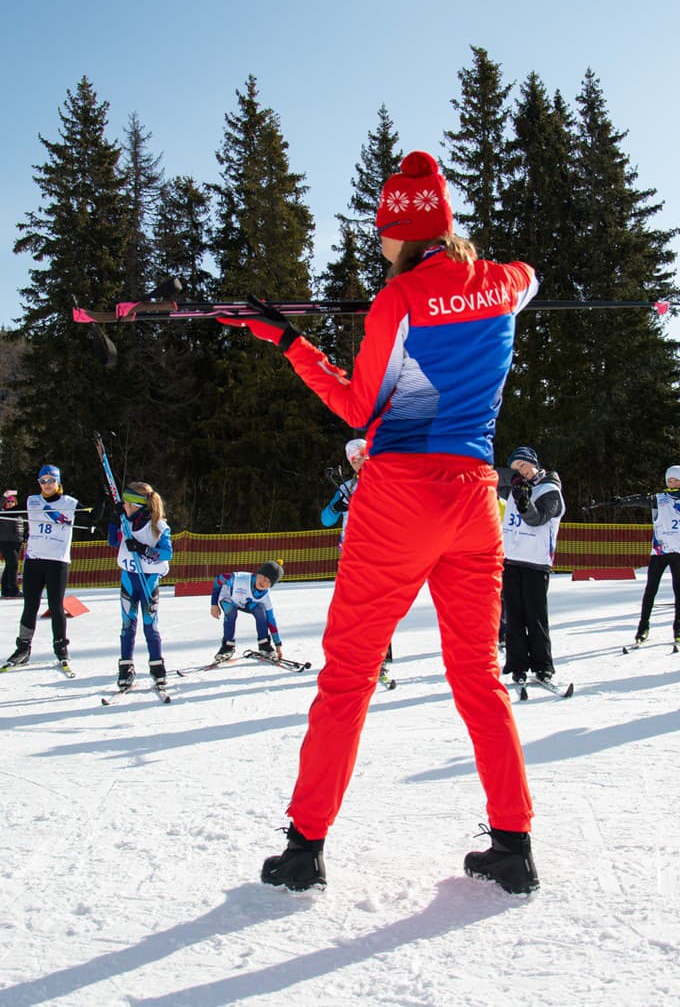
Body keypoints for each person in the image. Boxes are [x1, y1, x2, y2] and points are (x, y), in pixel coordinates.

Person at [218, 149, 539, 895]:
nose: (378, 245)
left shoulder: (397, 302)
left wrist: (294, 344)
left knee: (350, 678)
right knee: (479, 678)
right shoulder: (503, 285)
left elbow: (360, 408)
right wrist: (472, 287)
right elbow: (528, 276)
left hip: (399, 497)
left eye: (384, 234)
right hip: (473, 501)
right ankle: (514, 844)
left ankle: (304, 848)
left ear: (401, 231)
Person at [322, 438, 395, 679]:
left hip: (378, 551)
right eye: (354, 460)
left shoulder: (386, 483)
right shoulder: (345, 488)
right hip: (352, 553)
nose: (359, 463)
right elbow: (326, 519)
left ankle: (380, 655)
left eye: (363, 457)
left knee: (379, 605)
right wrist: (337, 507)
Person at [3, 465, 79, 672]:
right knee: (30, 605)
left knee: (56, 606)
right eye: (43, 481)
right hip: (34, 560)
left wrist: (102, 499)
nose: (47, 485)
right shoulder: (32, 501)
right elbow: (8, 510)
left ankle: (61, 648)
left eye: (51, 480)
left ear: (58, 482)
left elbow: (93, 516)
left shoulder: (70, 503)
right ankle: (23, 648)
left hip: (57, 561)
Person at [501, 445, 565, 685]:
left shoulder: (550, 490)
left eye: (524, 465)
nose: (522, 471)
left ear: (534, 463)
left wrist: (524, 501)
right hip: (512, 559)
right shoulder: (516, 488)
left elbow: (538, 519)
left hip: (536, 563)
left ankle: (543, 665)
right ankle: (517, 664)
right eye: (517, 468)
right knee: (514, 617)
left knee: (535, 617)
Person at [108, 480, 173, 692]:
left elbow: (167, 553)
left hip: (149, 581)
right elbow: (113, 541)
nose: (124, 507)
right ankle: (125, 667)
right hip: (128, 579)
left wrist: (144, 549)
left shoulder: (159, 527)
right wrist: (113, 518)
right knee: (128, 626)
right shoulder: (124, 524)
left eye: (127, 504)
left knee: (150, 625)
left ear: (139, 506)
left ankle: (157, 666)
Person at [632, 465, 680, 646]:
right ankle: (643, 627)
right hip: (660, 551)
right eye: (669, 480)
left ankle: (679, 627)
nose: (672, 483)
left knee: (679, 590)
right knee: (650, 589)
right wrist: (620, 502)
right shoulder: (659, 499)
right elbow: (640, 500)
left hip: (679, 551)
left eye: (676, 480)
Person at [210, 562, 284, 659]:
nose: (263, 582)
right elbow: (218, 580)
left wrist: (278, 645)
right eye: (263, 577)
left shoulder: (265, 597)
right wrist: (214, 604)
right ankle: (227, 646)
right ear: (258, 574)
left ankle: (264, 645)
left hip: (245, 602)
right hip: (229, 598)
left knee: (260, 611)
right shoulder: (238, 579)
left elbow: (271, 621)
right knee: (231, 612)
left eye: (268, 582)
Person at [0, 489, 26, 598]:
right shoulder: (2, 513)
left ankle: (6, 590)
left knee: (9, 566)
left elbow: (21, 528)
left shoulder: (18, 514)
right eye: (8, 501)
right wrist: (4, 496)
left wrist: (23, 538)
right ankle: (14, 590)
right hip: (5, 542)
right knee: (13, 565)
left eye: (12, 501)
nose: (10, 503)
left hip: (16, 542)